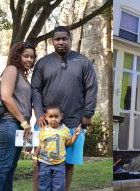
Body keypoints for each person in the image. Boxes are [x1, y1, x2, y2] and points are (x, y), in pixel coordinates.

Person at [31, 26, 98, 190]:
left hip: (74, 122)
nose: (61, 42)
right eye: (57, 39)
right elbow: (35, 89)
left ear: (70, 39)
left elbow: (91, 88)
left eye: (64, 39)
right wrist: (39, 113)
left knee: (68, 163)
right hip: (45, 123)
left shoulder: (83, 62)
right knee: (39, 162)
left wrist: (87, 113)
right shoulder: (43, 63)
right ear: (52, 41)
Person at [0, 41, 36, 191]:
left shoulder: (22, 75)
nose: (29, 59)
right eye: (25, 56)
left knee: (11, 166)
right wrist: (23, 121)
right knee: (3, 166)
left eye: (32, 57)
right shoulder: (11, 69)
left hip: (20, 124)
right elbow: (6, 97)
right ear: (17, 56)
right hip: (8, 122)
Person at [33, 105, 81, 191]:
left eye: (56, 116)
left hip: (59, 164)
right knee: (43, 186)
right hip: (44, 163)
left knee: (59, 186)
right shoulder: (43, 129)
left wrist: (75, 135)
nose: (53, 119)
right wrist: (35, 157)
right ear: (46, 117)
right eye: (50, 117)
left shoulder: (65, 130)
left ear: (61, 116)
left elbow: (69, 143)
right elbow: (39, 145)